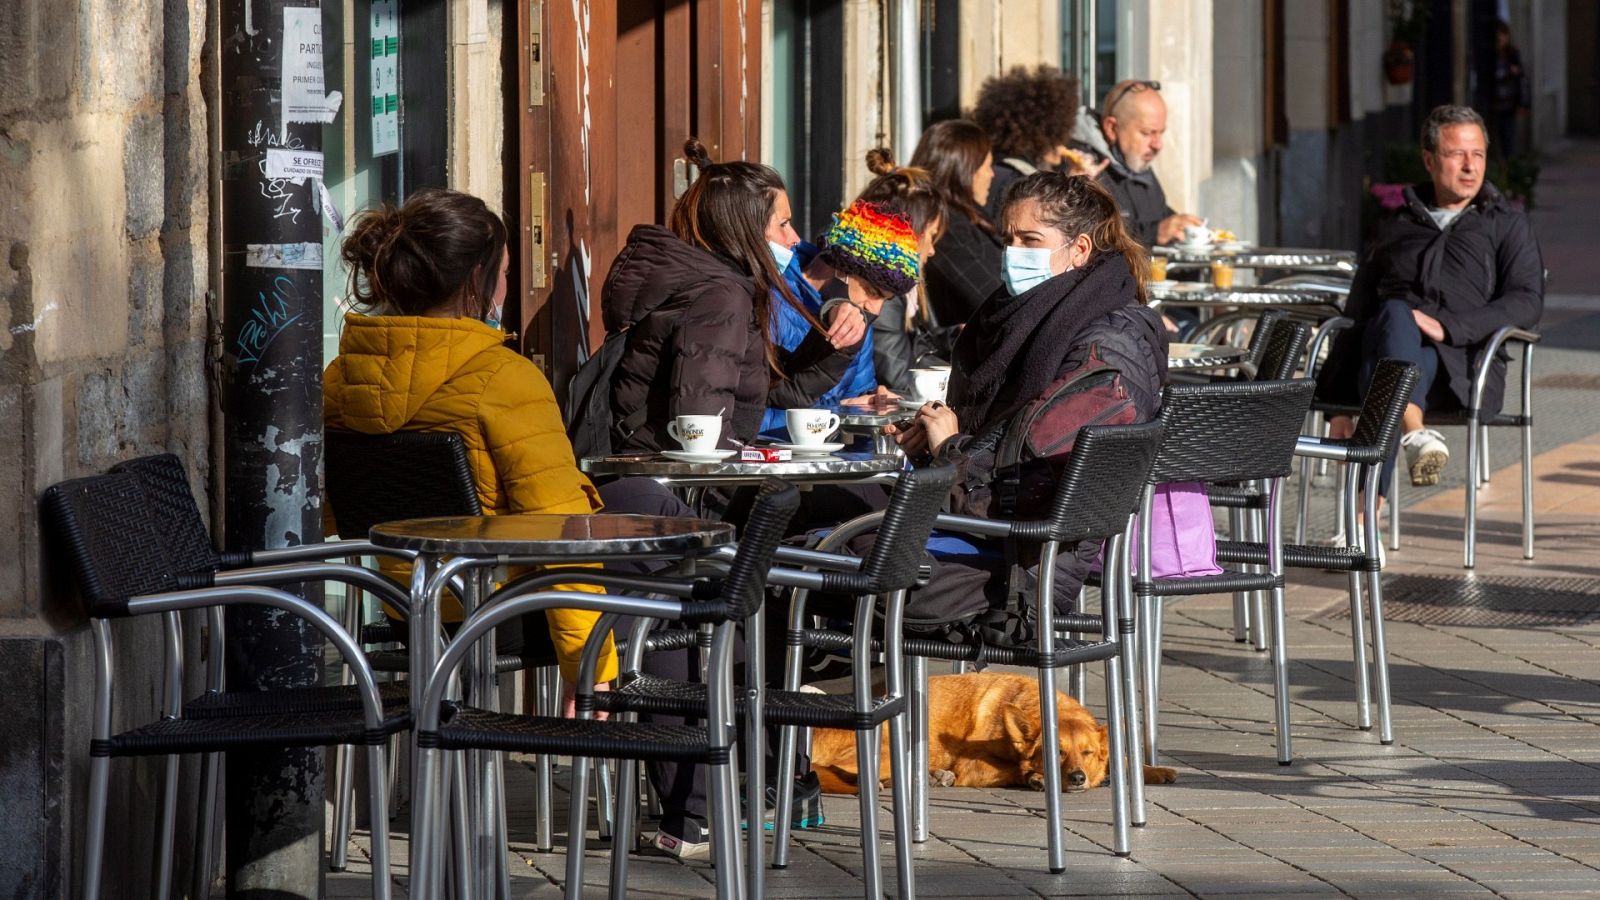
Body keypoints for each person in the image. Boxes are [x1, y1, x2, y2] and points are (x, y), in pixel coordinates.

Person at [323, 187, 618, 700]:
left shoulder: (343, 378)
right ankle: (682, 767)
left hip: (403, 608)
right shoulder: (505, 378)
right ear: (476, 282)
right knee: (664, 572)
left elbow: (329, 509)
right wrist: (588, 664)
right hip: (498, 610)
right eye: (503, 273)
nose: (507, 286)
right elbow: (558, 528)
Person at [888, 171, 1168, 628]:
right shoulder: (1039, 317)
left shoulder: (1103, 348)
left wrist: (949, 449)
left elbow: (1035, 490)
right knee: (827, 518)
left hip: (1024, 568)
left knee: (826, 554)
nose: (1014, 253)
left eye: (1031, 240)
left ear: (1079, 250)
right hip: (991, 532)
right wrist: (934, 444)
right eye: (1009, 238)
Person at [1317, 105, 1544, 491]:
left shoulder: (1505, 224)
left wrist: (1448, 327)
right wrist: (1335, 406)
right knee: (1392, 321)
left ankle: (1362, 524)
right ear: (1429, 159)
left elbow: (1527, 300)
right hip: (1389, 360)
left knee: (1385, 376)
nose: (1470, 166)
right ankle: (1415, 433)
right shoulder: (1395, 226)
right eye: (1457, 154)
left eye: (1478, 155)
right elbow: (1357, 312)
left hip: (1464, 370)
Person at [603, 139, 860, 453]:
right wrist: (755, 477)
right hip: (669, 483)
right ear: (744, 229)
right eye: (783, 224)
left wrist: (839, 334)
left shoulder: (724, 287)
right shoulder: (720, 298)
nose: (794, 239)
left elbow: (775, 386)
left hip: (675, 472)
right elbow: (703, 440)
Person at [1069, 79, 1203, 248]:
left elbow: (1159, 214)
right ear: (1111, 128)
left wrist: (1184, 229)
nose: (1157, 144)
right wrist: (1156, 233)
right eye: (1147, 133)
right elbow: (1094, 238)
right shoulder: (1080, 166)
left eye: (1161, 133)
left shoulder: (1134, 162)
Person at [972, 65, 1104, 224]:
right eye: (1062, 132)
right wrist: (1076, 186)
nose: (1065, 140)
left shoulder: (1000, 169)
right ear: (1045, 133)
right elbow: (1048, 226)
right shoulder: (1020, 180)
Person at [912, 118, 1004, 328]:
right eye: (988, 166)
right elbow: (991, 296)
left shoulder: (963, 216)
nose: (992, 174)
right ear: (965, 170)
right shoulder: (948, 228)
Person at [1492, 20, 1529, 158]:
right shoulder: (1490, 55)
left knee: (1508, 138)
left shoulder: (1512, 54)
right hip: (1495, 103)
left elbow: (1522, 80)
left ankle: (1508, 168)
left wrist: (1523, 103)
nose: (1500, 38)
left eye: (1503, 34)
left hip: (1509, 104)